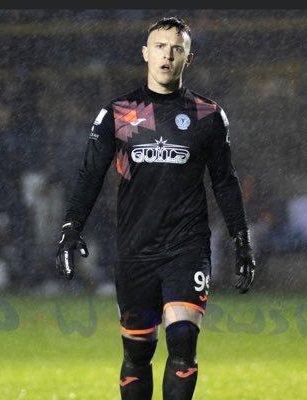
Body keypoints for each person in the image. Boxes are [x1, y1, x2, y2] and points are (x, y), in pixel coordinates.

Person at [55, 16, 257, 400]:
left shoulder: (208, 115)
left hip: (187, 247)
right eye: (160, 47)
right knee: (138, 352)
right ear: (146, 54)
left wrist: (241, 238)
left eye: (177, 48)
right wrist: (71, 227)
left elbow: (225, 181)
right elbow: (89, 175)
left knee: (182, 341)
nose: (168, 54)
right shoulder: (118, 113)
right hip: (135, 250)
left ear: (189, 58)